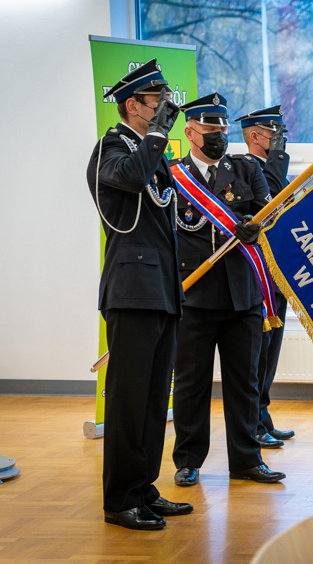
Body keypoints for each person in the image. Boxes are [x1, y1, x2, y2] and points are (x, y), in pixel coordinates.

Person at [86, 59, 193, 530]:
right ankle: (119, 500)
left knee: (153, 402)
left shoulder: (154, 154)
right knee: (128, 402)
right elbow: (128, 178)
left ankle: (143, 487)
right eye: (159, 104)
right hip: (132, 292)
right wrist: (154, 139)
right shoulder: (111, 148)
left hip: (163, 291)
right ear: (134, 105)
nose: (167, 111)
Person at [170, 93, 286, 486]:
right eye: (210, 130)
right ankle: (188, 459)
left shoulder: (245, 169)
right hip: (194, 297)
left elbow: (268, 213)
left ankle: (247, 459)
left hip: (243, 296)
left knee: (245, 383)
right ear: (190, 132)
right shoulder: (172, 176)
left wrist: (256, 224)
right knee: (190, 385)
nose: (219, 137)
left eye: (222, 130)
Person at [234, 106, 295, 448]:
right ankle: (254, 424)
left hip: (275, 276)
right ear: (255, 136)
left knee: (270, 354)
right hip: (258, 278)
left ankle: (263, 417)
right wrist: (279, 158)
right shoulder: (247, 168)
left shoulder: (272, 168)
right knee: (256, 356)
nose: (279, 143)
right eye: (274, 136)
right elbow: (268, 203)